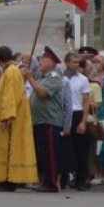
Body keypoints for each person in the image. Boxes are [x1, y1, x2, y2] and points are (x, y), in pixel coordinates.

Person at [0, 46, 37, 192]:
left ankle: (11, 181)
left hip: (13, 120)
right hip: (11, 117)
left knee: (10, 147)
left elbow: (10, 96)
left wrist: (6, 117)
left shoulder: (11, 72)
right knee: (4, 148)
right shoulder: (11, 71)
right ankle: (2, 178)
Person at [27, 47, 69, 193]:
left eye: (43, 60)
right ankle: (44, 180)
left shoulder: (54, 77)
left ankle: (51, 184)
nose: (40, 62)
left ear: (52, 62)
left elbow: (43, 93)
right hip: (39, 120)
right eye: (40, 59)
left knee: (50, 153)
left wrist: (30, 78)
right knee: (42, 153)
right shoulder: (42, 76)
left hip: (49, 120)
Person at [62, 52, 92, 190]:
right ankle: (64, 178)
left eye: (78, 62)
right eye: (74, 62)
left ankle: (80, 179)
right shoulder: (60, 78)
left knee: (80, 148)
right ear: (67, 63)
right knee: (64, 147)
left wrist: (83, 121)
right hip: (62, 115)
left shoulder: (82, 79)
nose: (76, 65)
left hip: (76, 114)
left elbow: (86, 101)